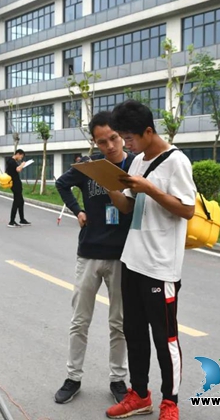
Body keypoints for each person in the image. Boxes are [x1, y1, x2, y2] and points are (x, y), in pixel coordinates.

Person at [105, 100, 196, 420]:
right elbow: (127, 207)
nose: (125, 144)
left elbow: (187, 209)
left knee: (165, 337)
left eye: (128, 138)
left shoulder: (177, 161)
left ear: (148, 130)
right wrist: (110, 184)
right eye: (121, 138)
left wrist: (149, 188)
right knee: (134, 333)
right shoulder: (137, 162)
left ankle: (170, 402)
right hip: (133, 260)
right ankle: (139, 394)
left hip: (161, 267)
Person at [54, 111, 136, 405]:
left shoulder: (135, 165)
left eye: (113, 138)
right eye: (102, 142)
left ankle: (118, 379)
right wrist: (78, 210)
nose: (110, 145)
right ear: (95, 142)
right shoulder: (89, 168)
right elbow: (62, 183)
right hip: (88, 253)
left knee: (119, 323)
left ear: (121, 135)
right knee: (80, 320)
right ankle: (73, 377)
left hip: (121, 257)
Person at [5, 148, 31, 228]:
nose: (21, 158)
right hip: (15, 184)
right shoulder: (12, 161)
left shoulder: (11, 161)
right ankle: (11, 221)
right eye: (21, 157)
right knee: (16, 202)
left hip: (16, 184)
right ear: (18, 154)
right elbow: (18, 169)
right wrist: (23, 164)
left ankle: (22, 219)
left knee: (21, 201)